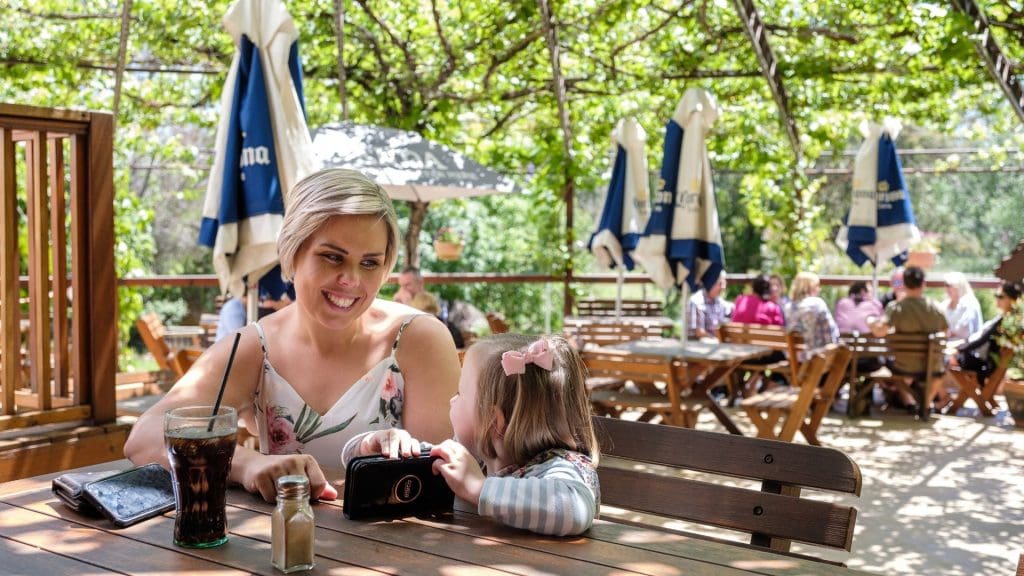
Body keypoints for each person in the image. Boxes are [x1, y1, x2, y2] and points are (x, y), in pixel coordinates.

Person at [124, 169, 461, 502]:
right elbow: (144, 436)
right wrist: (247, 464)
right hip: (282, 543)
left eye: (370, 263)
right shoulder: (254, 347)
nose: (351, 279)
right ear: (292, 251)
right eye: (332, 257)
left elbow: (437, 484)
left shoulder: (419, 339)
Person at [344, 334, 600, 536]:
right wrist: (371, 447)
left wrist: (477, 488)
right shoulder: (476, 457)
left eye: (460, 393)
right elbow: (407, 461)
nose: (451, 400)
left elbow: (571, 509)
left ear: (493, 422)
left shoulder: (561, 469)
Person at [869, 266, 949, 411]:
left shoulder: (896, 308)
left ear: (904, 284)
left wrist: (870, 322)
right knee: (941, 369)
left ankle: (910, 402)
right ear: (924, 284)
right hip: (931, 365)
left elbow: (880, 332)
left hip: (903, 365)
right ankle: (924, 405)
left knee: (888, 364)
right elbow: (946, 332)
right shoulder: (935, 308)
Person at [949, 281, 1023, 382]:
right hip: (986, 363)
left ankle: (940, 395)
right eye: (996, 295)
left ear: (1013, 299)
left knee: (941, 358)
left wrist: (958, 350)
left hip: (985, 366)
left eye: (1001, 296)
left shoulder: (1006, 322)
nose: (997, 299)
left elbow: (982, 339)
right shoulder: (1006, 320)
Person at [785, 271, 839, 355]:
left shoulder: (788, 306)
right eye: (817, 285)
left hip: (793, 356)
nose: (819, 289)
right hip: (815, 357)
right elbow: (830, 331)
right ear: (810, 287)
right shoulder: (817, 303)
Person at [941, 271, 983, 341]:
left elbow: (965, 330)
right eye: (945, 285)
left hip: (966, 346)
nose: (946, 288)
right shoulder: (945, 304)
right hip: (948, 344)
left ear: (959, 286)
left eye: (949, 285)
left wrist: (948, 332)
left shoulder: (969, 302)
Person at [688, 274, 732, 340]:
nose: (723, 287)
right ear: (710, 283)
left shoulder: (719, 301)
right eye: (720, 284)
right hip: (698, 345)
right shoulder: (696, 302)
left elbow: (732, 310)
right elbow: (698, 333)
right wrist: (717, 339)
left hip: (716, 343)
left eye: (724, 283)